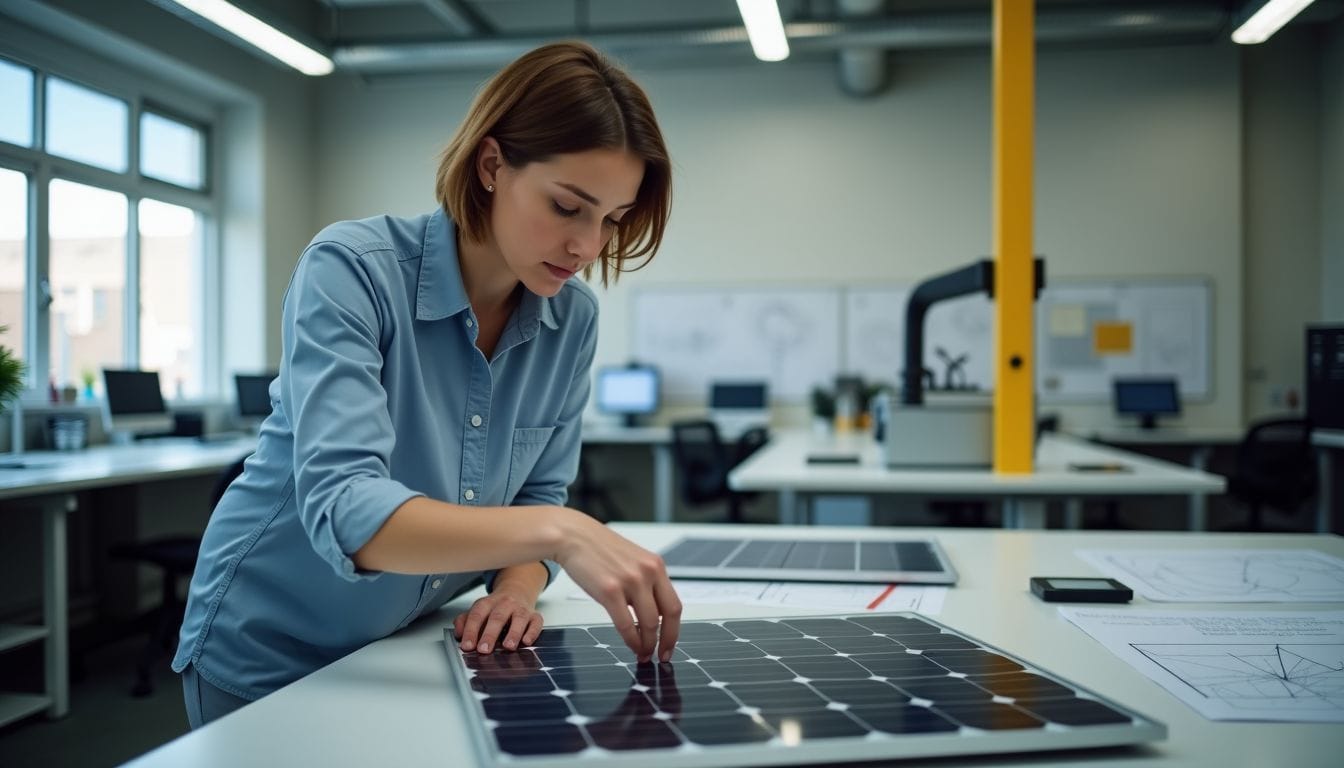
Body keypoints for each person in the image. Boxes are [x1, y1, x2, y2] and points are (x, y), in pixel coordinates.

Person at [172, 41, 681, 729]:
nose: (588, 247)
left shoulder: (573, 319)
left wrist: (519, 586)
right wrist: (563, 535)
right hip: (273, 648)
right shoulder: (352, 270)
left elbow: (538, 495)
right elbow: (351, 508)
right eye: (568, 207)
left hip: (406, 647)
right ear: (493, 165)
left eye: (611, 220)